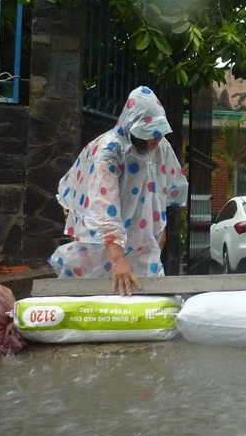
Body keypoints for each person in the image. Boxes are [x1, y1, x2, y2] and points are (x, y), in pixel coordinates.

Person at [49, 86, 189, 295]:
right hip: (104, 243)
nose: (156, 137)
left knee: (145, 294)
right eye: (149, 132)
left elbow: (164, 191)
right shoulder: (110, 151)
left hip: (143, 239)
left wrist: (160, 232)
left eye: (159, 131)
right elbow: (104, 209)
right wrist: (117, 259)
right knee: (98, 292)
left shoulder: (161, 147)